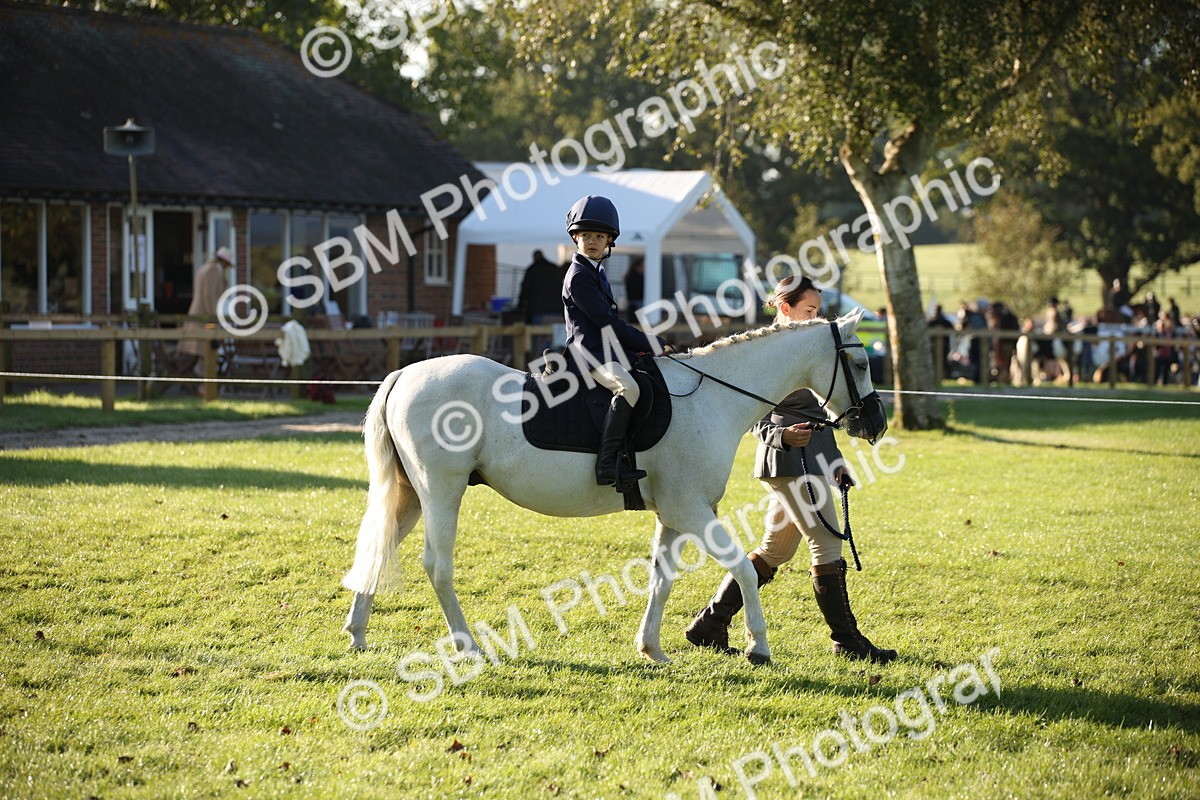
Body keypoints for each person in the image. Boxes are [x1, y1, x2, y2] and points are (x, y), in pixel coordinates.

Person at [684, 276, 897, 664]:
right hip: (786, 460)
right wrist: (781, 436)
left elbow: (824, 415)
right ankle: (847, 640)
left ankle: (710, 624)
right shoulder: (766, 352)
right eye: (809, 311)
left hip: (809, 462)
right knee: (827, 544)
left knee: (773, 551)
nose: (816, 318)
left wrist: (835, 463)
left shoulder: (812, 347)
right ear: (785, 309)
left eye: (818, 311)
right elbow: (749, 416)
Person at [561, 195, 668, 492]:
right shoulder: (579, 277)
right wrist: (649, 341)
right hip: (588, 355)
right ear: (575, 238)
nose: (592, 241)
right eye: (586, 236)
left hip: (605, 350)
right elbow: (607, 324)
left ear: (609, 241)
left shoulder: (598, 272)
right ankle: (607, 463)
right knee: (628, 387)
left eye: (599, 236)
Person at [179, 246, 233, 357]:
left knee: (199, 349)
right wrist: (213, 317)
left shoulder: (204, 268)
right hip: (204, 315)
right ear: (225, 262)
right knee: (206, 350)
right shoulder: (213, 270)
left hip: (197, 311)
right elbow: (209, 295)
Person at [516, 250, 562, 324]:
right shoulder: (555, 268)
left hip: (538, 311)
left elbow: (524, 291)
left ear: (534, 258)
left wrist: (519, 307)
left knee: (537, 333)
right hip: (557, 310)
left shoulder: (531, 270)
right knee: (556, 334)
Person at [624, 257, 644, 324]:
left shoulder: (630, 276)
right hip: (638, 305)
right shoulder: (637, 278)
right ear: (637, 267)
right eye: (642, 266)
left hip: (633, 306)